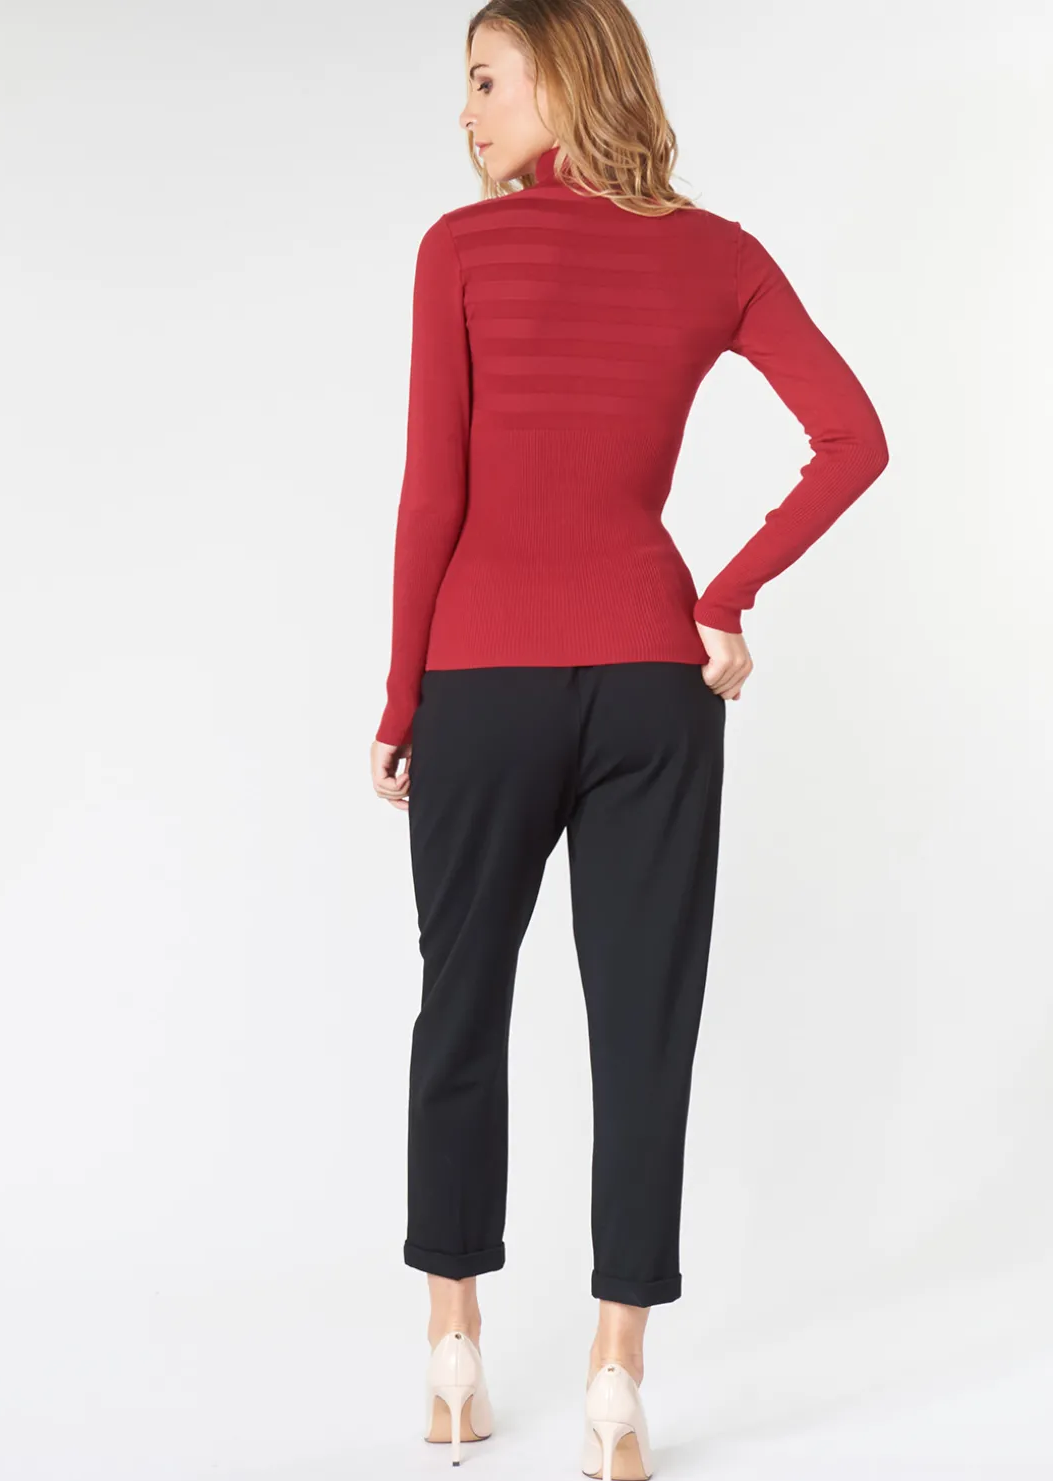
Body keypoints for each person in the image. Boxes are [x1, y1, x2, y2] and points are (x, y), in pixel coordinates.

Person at [368, 2, 889, 1475]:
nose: (467, 111)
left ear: (558, 76)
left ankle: (454, 1353)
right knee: (644, 1027)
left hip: (480, 678)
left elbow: (433, 494)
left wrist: (402, 701)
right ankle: (617, 1382)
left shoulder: (459, 252)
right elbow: (855, 438)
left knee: (460, 1007)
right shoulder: (715, 254)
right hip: (656, 680)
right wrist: (722, 596)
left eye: (485, 79)